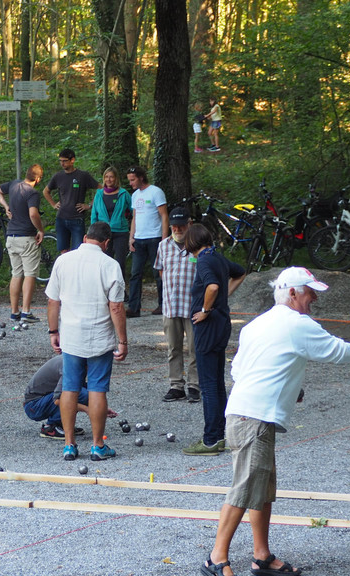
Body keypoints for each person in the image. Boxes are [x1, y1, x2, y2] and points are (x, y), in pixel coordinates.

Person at [200, 267, 350, 576]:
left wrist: (287, 387)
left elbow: (240, 370)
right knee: (245, 487)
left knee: (262, 488)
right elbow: (336, 351)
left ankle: (261, 556)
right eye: (310, 292)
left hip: (246, 414)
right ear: (292, 293)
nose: (314, 298)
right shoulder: (297, 324)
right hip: (254, 418)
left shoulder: (256, 325)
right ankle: (216, 558)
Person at [45, 222, 128, 462]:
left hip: (71, 336)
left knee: (69, 388)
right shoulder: (110, 265)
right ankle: (97, 445)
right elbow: (116, 307)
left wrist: (53, 330)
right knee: (97, 389)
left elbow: (52, 300)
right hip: (99, 336)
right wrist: (123, 340)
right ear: (107, 243)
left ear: (84, 238)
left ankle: (69, 445)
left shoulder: (63, 261)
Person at [182, 223, 246, 456]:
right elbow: (240, 272)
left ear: (191, 242)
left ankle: (210, 440)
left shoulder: (204, 260)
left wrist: (206, 309)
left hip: (208, 327)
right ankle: (219, 435)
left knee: (208, 385)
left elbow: (212, 286)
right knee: (217, 383)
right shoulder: (217, 256)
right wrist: (222, 299)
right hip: (222, 324)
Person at [154, 207, 200, 403]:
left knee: (195, 348)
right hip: (171, 306)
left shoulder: (198, 245)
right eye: (174, 226)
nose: (177, 229)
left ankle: (194, 385)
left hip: (193, 307)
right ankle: (176, 385)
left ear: (189, 224)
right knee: (173, 348)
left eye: (181, 225)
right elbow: (161, 270)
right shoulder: (163, 245)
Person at [0, 164, 45, 323]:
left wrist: (6, 205)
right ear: (38, 179)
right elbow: (33, 214)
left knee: (16, 274)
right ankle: (26, 312)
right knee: (30, 274)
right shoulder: (32, 193)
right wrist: (40, 229)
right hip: (26, 238)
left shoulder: (14, 184)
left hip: (11, 237)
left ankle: (14, 312)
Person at [22, 354, 120, 439]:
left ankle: (63, 424)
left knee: (86, 393)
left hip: (44, 399)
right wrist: (87, 410)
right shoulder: (69, 367)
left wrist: (99, 409)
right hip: (34, 405)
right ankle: (51, 426)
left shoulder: (76, 362)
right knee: (80, 394)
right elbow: (58, 399)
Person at [125, 165, 168, 318]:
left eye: (133, 180)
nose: (130, 183)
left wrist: (164, 239)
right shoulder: (135, 195)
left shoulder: (156, 192)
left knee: (159, 272)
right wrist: (131, 237)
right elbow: (135, 217)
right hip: (139, 239)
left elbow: (164, 215)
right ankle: (134, 307)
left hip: (154, 238)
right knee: (135, 274)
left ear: (141, 177)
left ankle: (163, 304)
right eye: (129, 180)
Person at [42, 149, 100, 252]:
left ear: (72, 160)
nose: (62, 163)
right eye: (60, 161)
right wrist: (53, 204)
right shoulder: (58, 176)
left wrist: (89, 205)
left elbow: (101, 189)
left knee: (78, 251)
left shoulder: (82, 175)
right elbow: (46, 191)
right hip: (61, 218)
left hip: (77, 218)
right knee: (63, 250)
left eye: (64, 161)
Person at [89, 166, 132, 275]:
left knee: (120, 262)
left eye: (111, 177)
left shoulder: (123, 194)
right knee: (105, 261)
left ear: (116, 178)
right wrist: (93, 233)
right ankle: (105, 284)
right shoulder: (99, 194)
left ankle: (120, 284)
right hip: (103, 233)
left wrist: (133, 228)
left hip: (120, 232)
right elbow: (94, 214)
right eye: (106, 177)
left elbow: (134, 211)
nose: (108, 179)